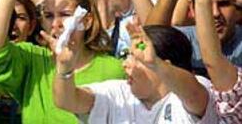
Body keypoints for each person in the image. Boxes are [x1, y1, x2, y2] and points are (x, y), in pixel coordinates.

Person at [53, 21, 219, 123]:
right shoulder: (117, 92)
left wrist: (156, 64)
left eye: (136, 58)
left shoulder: (193, 90)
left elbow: (194, 95)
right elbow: (67, 101)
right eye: (128, 55)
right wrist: (65, 69)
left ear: (165, 64)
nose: (125, 64)